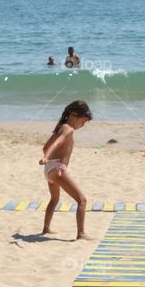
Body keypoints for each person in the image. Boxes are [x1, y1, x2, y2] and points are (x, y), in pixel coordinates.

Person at [39, 100, 94, 238]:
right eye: (84, 120)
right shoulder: (68, 129)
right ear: (74, 114)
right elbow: (56, 144)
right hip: (57, 169)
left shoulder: (60, 127)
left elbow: (46, 147)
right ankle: (81, 234)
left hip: (49, 169)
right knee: (82, 200)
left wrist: (47, 158)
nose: (84, 124)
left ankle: (46, 228)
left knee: (54, 199)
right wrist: (47, 157)